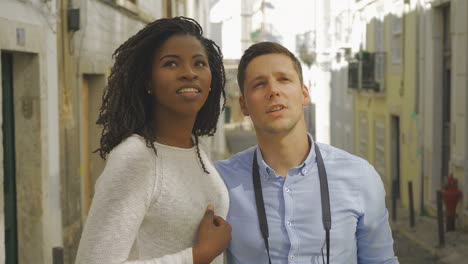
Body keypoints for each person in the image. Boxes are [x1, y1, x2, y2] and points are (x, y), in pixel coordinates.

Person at [215, 42, 399, 264]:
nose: (273, 90)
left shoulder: (360, 176)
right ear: (243, 105)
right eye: (259, 84)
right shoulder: (220, 183)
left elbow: (381, 260)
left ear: (304, 94)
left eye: (283, 79)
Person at [75, 17, 231, 264]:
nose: (189, 73)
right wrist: (198, 255)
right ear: (148, 82)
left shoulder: (195, 147)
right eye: (171, 64)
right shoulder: (136, 158)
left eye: (199, 63)